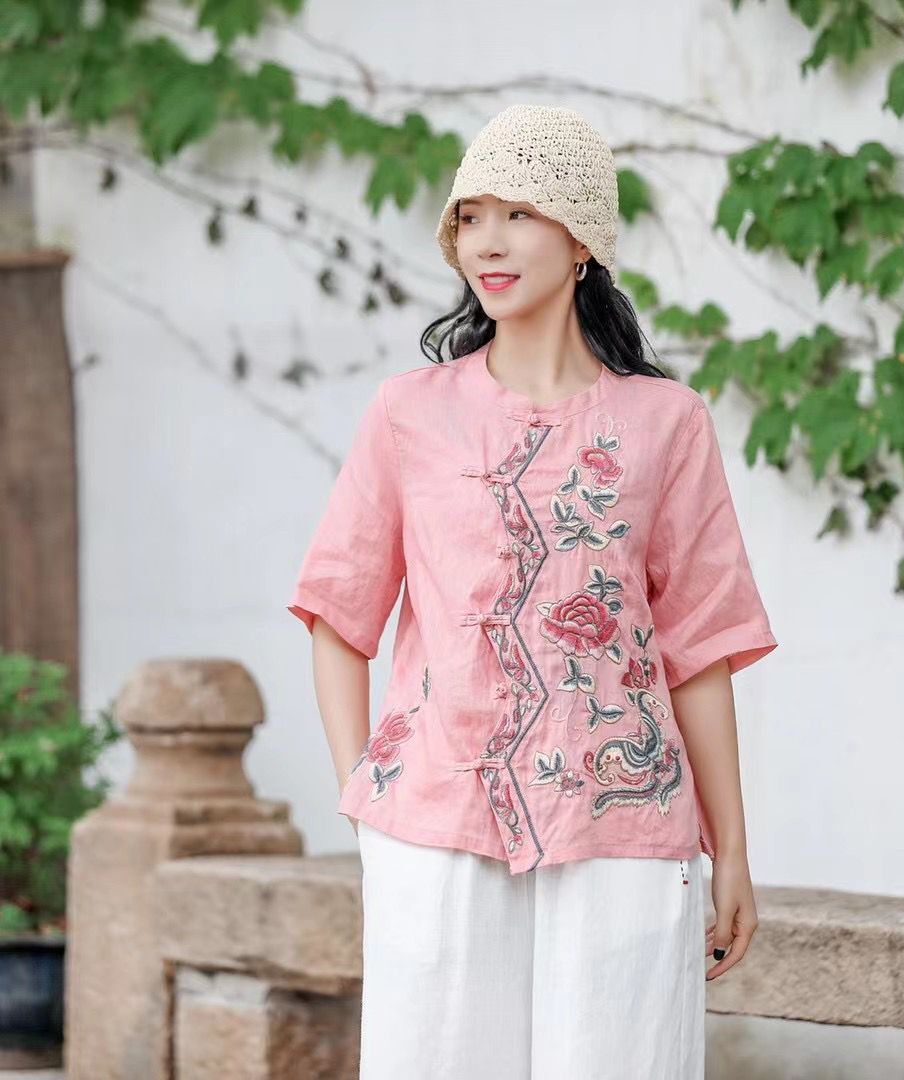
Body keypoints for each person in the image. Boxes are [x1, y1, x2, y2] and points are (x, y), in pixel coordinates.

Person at [287, 103, 779, 1079]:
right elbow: (339, 613)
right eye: (471, 217)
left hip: (625, 827)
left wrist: (732, 849)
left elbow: (700, 650)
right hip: (433, 828)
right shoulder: (409, 413)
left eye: (520, 213)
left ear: (583, 240)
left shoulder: (668, 423)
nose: (488, 241)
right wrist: (364, 798)